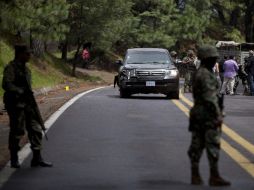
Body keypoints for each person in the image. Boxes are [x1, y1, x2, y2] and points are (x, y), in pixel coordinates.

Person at [2, 45, 53, 168]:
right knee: (17, 130)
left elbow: (28, 89)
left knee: (35, 129)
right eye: (27, 54)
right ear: (20, 54)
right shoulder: (11, 68)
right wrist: (19, 91)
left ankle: (37, 158)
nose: (29, 56)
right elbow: (6, 84)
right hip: (16, 104)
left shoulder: (27, 70)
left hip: (28, 103)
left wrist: (27, 95)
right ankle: (14, 158)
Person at [188, 45, 231, 186]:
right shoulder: (205, 75)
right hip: (207, 115)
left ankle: (195, 174)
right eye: (212, 59)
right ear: (206, 59)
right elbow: (210, 98)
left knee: (197, 145)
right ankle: (214, 175)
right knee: (212, 145)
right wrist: (218, 115)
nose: (214, 61)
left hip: (198, 114)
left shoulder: (200, 72)